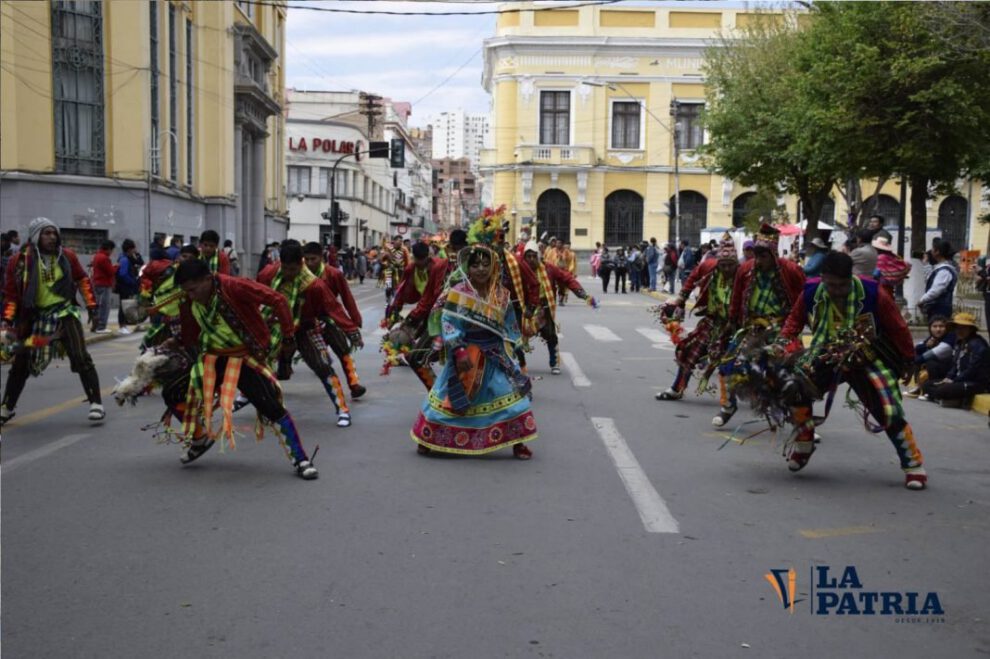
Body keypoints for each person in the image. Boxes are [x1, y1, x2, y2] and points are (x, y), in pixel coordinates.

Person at [776, 251, 927, 490]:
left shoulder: (872, 292)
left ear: (851, 278)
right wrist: (780, 344)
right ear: (823, 278)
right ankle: (804, 443)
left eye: (842, 285)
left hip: (865, 355)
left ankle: (913, 464)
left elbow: (898, 327)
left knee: (887, 409)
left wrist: (910, 359)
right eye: (831, 285)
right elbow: (794, 322)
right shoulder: (811, 291)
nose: (836, 291)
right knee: (794, 389)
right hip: (824, 353)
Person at [162, 258, 319, 479]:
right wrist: (175, 342)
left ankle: (301, 459)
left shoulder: (235, 286)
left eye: (193, 289)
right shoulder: (189, 300)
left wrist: (288, 336)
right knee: (173, 392)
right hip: (212, 359)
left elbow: (278, 300)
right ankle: (200, 438)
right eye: (186, 291)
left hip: (243, 359)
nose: (191, 295)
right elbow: (189, 333)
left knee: (271, 407)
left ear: (207, 279)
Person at [411, 243, 536, 459]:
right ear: (467, 268)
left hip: (495, 355)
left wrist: (514, 347)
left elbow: (510, 327)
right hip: (464, 355)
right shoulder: (458, 293)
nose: (481, 269)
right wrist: (458, 349)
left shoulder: (502, 295)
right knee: (448, 401)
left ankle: (518, 441)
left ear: (494, 267)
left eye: (486, 264)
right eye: (476, 264)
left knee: (514, 399)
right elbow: (448, 321)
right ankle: (428, 438)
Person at [1, 218, 105, 424]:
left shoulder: (67, 256)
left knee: (80, 356)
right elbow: (11, 295)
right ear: (35, 236)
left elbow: (83, 279)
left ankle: (96, 404)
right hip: (35, 317)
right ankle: (7, 407)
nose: (51, 237)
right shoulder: (19, 261)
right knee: (21, 362)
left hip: (65, 314)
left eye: (53, 233)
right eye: (46, 233)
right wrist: (6, 322)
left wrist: (92, 307)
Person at [259, 243, 359, 427]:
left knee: (322, 366)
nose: (289, 273)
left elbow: (333, 307)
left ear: (301, 264)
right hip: (276, 325)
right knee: (258, 365)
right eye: (286, 268)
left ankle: (343, 409)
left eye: (293, 269)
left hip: (306, 327)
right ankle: (260, 404)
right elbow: (254, 295)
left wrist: (352, 329)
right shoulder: (269, 274)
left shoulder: (315, 285)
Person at [721, 224, 806, 427]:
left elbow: (806, 296)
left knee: (792, 375)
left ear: (774, 255)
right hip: (752, 327)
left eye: (763, 256)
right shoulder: (745, 269)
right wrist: (732, 321)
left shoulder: (791, 270)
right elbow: (736, 297)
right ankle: (728, 406)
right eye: (756, 256)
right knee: (728, 365)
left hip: (782, 328)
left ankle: (802, 421)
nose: (758, 261)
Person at [656, 234, 739, 407]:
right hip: (712, 322)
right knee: (687, 350)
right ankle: (677, 389)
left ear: (736, 264)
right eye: (723, 264)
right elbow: (693, 278)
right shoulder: (709, 267)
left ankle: (733, 402)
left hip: (737, 326)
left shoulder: (744, 274)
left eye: (730, 265)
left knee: (740, 363)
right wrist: (681, 298)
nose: (726, 268)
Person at [303, 241, 367, 399]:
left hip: (329, 317)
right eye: (307, 259)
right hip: (306, 320)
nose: (310, 263)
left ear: (321, 258)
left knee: (343, 349)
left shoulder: (334, 274)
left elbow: (347, 298)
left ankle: (354, 384)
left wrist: (355, 321)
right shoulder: (299, 273)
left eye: (313, 259)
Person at [522, 241, 595, 375]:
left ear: (539, 256)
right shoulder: (519, 270)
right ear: (524, 257)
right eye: (528, 256)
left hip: (544, 308)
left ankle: (554, 363)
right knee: (517, 337)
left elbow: (567, 278)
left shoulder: (549, 268)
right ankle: (519, 365)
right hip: (525, 308)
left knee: (550, 335)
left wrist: (581, 293)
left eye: (534, 256)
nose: (531, 259)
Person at [383, 241, 449, 390]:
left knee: (421, 357)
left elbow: (433, 296)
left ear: (428, 256)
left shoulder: (439, 267)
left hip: (442, 314)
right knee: (416, 357)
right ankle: (436, 394)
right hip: (426, 313)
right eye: (416, 259)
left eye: (422, 259)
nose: (419, 263)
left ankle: (441, 394)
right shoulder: (410, 268)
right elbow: (401, 290)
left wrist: (415, 315)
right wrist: (393, 311)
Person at [139, 244, 200, 350]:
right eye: (184, 256)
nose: (186, 260)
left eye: (190, 258)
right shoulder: (169, 270)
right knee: (153, 350)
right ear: (178, 257)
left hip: (180, 318)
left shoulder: (196, 277)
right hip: (161, 315)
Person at [921, 312, 990, 404]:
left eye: (963, 328)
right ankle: (944, 396)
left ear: (971, 329)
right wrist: (948, 377)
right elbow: (955, 364)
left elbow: (972, 369)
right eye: (957, 328)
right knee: (926, 385)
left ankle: (948, 397)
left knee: (942, 390)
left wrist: (954, 380)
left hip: (974, 382)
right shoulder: (959, 342)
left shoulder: (978, 344)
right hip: (958, 379)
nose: (959, 331)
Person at [904, 315, 954, 397]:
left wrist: (909, 362)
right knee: (919, 356)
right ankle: (919, 387)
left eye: (941, 326)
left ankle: (928, 389)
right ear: (930, 328)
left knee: (929, 362)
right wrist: (926, 346)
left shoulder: (949, 340)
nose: (938, 329)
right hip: (940, 367)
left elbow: (926, 356)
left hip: (949, 370)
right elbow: (916, 349)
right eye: (935, 326)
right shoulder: (933, 338)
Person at [918, 240, 957, 322]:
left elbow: (935, 290)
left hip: (940, 308)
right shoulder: (941, 268)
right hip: (937, 307)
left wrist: (922, 300)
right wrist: (925, 264)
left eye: (932, 249)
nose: (930, 251)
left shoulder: (944, 271)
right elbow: (930, 279)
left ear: (937, 252)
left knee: (939, 331)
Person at [116, 239, 143, 335]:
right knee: (124, 306)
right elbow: (123, 274)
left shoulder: (127, 258)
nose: (135, 250)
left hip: (127, 286)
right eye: (133, 248)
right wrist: (132, 282)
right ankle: (122, 326)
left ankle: (126, 325)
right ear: (129, 249)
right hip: (125, 286)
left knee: (127, 305)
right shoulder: (124, 260)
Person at [90, 239, 117, 333]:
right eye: (111, 250)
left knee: (98, 306)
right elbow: (111, 272)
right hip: (104, 284)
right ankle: (101, 327)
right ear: (108, 249)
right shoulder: (104, 258)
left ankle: (96, 325)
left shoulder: (97, 256)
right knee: (104, 306)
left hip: (97, 283)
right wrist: (116, 267)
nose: (111, 252)